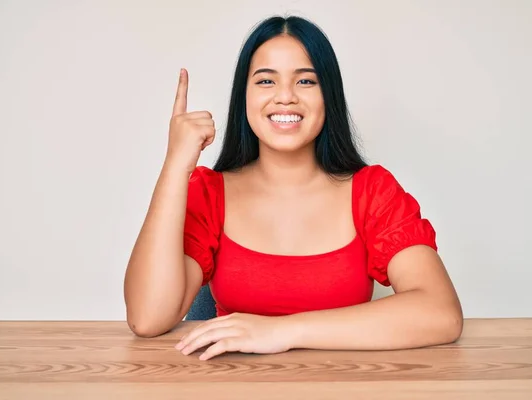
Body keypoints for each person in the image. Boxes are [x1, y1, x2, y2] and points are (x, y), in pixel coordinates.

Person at [123, 15, 463, 361]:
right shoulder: (210, 193)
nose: (285, 97)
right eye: (266, 81)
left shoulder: (373, 191)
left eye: (306, 81)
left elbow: (440, 313)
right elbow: (147, 318)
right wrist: (175, 165)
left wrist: (281, 331)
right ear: (244, 97)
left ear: (328, 95)